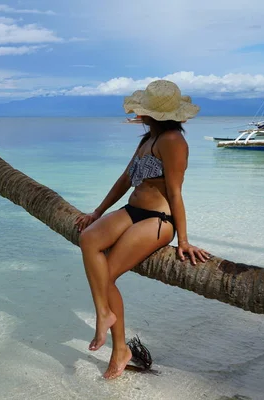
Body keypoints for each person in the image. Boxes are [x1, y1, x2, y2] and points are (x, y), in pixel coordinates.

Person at [74, 80, 210, 379]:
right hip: (132, 210)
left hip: (157, 220)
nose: (139, 114)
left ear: (155, 114)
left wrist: (184, 239)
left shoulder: (172, 140)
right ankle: (105, 317)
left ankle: (118, 345)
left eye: (143, 110)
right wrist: (97, 211)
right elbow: (125, 180)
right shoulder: (147, 139)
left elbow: (174, 192)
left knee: (107, 275)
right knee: (89, 238)